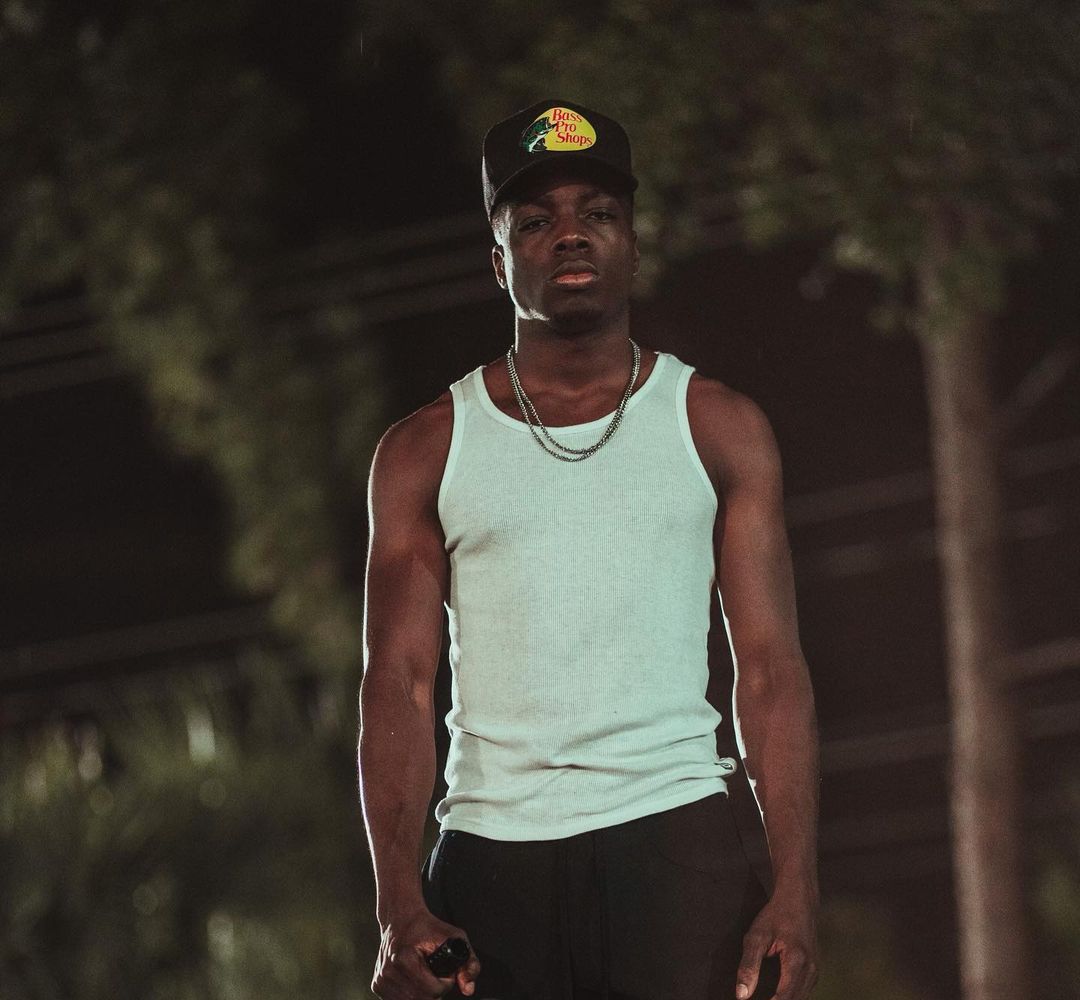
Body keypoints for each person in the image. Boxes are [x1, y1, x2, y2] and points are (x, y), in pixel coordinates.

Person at [359, 98, 820, 1000]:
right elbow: (399, 682)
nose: (571, 234)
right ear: (499, 261)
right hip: (493, 861)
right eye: (537, 221)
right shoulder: (424, 449)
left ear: (633, 245)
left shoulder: (717, 426)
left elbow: (769, 669)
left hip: (677, 846)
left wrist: (797, 891)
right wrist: (396, 903)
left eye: (599, 213)